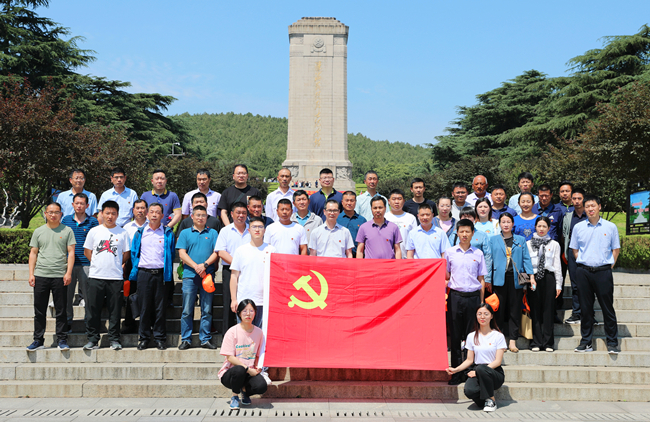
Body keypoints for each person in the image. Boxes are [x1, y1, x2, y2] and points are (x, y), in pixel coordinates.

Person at [570, 195, 620, 354]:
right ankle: (586, 342)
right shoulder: (578, 227)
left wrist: (609, 265)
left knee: (607, 308)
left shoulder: (610, 227)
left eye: (593, 206)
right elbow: (574, 249)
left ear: (599, 207)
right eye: (587, 206)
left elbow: (616, 249)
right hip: (583, 272)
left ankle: (612, 342)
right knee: (585, 309)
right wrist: (583, 263)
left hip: (603, 272)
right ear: (584, 209)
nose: (590, 209)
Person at [82, 200, 131, 350]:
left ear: (117, 215)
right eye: (107, 213)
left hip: (115, 278)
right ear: (101, 214)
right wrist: (98, 263)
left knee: (115, 311)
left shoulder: (123, 232)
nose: (110, 216)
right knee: (93, 310)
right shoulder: (94, 231)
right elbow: (87, 251)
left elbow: (126, 254)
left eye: (113, 213)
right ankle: (92, 339)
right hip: (96, 277)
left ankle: (114, 339)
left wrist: (115, 263)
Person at [26, 202, 75, 351]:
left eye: (56, 212)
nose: (53, 215)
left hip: (60, 275)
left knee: (61, 310)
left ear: (61, 214)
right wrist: (31, 274)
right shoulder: (38, 231)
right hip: (41, 275)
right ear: (45, 214)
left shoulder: (67, 230)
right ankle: (38, 340)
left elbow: (71, 253)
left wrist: (68, 273)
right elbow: (33, 253)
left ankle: (62, 339)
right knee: (39, 310)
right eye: (50, 212)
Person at [445, 219, 487, 385]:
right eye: (461, 231)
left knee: (472, 336)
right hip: (455, 297)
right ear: (457, 233)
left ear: (472, 233)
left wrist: (482, 303)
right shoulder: (450, 253)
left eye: (467, 231)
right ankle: (456, 373)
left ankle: (470, 372)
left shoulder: (478, 253)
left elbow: (481, 279)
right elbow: (446, 276)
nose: (464, 234)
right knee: (455, 336)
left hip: (473, 298)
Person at [129, 203, 176, 350]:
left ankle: (159, 338)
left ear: (162, 215)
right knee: (144, 307)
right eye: (152, 212)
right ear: (147, 214)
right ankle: (144, 338)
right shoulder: (140, 232)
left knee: (160, 308)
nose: (154, 214)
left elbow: (171, 253)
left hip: (161, 274)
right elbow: (134, 253)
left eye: (158, 212)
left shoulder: (167, 233)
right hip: (144, 273)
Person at [446, 303, 506, 412]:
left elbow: (497, 361)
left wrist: (479, 371)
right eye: (479, 314)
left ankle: (491, 400)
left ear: (491, 316)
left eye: (486, 314)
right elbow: (469, 360)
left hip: (494, 372)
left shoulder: (498, 336)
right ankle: (485, 400)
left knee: (481, 368)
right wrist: (456, 370)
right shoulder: (471, 336)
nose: (482, 317)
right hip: (478, 369)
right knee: (469, 390)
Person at [176, 205, 220, 350]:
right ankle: (186, 339)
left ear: (207, 217)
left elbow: (216, 252)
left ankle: (205, 339)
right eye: (198, 215)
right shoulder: (185, 233)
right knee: (187, 309)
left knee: (206, 309)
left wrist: (205, 265)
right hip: (190, 276)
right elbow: (182, 253)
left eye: (203, 215)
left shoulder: (213, 233)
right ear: (192, 217)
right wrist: (196, 266)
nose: (200, 218)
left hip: (207, 276)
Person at [489, 212, 534, 353]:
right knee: (499, 311)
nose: (506, 224)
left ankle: (513, 341)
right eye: (503, 222)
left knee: (515, 310)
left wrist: (531, 277)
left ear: (513, 224)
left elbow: (526, 259)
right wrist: (488, 279)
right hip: (498, 279)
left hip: (516, 279)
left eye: (508, 222)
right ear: (499, 224)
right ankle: (500, 340)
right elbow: (489, 260)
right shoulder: (493, 240)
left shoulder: (520, 240)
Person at [219, 299, 268, 410]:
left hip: (249, 371)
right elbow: (230, 357)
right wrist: (247, 368)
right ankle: (235, 396)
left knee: (261, 386)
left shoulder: (259, 332)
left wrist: (258, 367)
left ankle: (245, 391)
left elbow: (258, 354)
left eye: (251, 311)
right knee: (239, 369)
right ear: (239, 313)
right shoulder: (232, 331)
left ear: (255, 313)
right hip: (231, 373)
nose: (248, 314)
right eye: (245, 311)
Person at [230, 217, 276, 327]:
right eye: (254, 227)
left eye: (260, 227)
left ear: (264, 230)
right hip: (244, 300)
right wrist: (234, 299)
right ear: (249, 230)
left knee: (261, 333)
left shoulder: (271, 250)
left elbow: (275, 276)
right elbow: (234, 276)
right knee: (244, 333)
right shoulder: (241, 250)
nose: (257, 230)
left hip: (264, 300)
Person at [61, 193, 99, 329]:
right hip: (69, 264)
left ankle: (89, 321)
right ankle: (68, 321)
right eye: (76, 203)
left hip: (86, 263)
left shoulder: (93, 222)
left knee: (89, 296)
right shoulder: (66, 220)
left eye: (82, 203)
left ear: (87, 205)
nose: (79, 206)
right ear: (72, 205)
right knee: (67, 295)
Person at [526, 216, 563, 352]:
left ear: (549, 228)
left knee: (548, 310)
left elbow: (557, 265)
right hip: (533, 278)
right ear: (535, 227)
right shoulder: (528, 244)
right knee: (535, 310)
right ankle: (536, 342)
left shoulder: (554, 244)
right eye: (539, 226)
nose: (541, 229)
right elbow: (526, 263)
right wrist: (529, 278)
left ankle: (548, 343)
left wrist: (558, 284)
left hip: (549, 277)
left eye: (544, 226)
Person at [215, 202, 251, 335]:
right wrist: (238, 265)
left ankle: (247, 335)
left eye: (244, 213)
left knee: (248, 304)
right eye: (238, 213)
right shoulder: (225, 231)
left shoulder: (252, 230)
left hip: (249, 272)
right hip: (229, 271)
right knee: (229, 304)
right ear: (231, 214)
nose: (241, 215)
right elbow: (221, 252)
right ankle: (228, 337)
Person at [561, 188, 589, 325]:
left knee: (589, 284)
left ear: (584, 199)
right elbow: (564, 234)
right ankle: (576, 313)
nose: (577, 201)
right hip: (573, 252)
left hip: (588, 253)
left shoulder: (590, 215)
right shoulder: (568, 216)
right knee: (575, 284)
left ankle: (589, 314)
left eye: (579, 198)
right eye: (574, 199)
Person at [122, 199, 148, 333]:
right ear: (133, 210)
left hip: (148, 263)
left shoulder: (152, 225)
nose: (140, 211)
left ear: (147, 210)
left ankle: (146, 325)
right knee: (130, 294)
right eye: (137, 208)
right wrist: (123, 262)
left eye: (142, 208)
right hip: (131, 263)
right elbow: (124, 247)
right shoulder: (127, 227)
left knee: (147, 295)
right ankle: (129, 324)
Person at [449, 208, 493, 286]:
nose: (467, 218)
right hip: (458, 276)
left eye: (469, 216)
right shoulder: (454, 235)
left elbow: (487, 256)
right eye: (464, 216)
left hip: (477, 275)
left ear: (474, 218)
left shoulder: (482, 235)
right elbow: (449, 255)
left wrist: (487, 278)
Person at [385, 189, 417, 259]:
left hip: (407, 258)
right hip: (387, 259)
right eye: (394, 199)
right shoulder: (384, 217)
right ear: (389, 201)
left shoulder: (411, 218)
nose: (396, 202)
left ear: (404, 201)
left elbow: (415, 239)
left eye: (399, 199)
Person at [337, 191, 366, 257]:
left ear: (355, 202)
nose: (349, 203)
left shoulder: (362, 220)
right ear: (342, 202)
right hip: (340, 256)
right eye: (347, 200)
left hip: (358, 256)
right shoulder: (337, 219)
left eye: (352, 201)